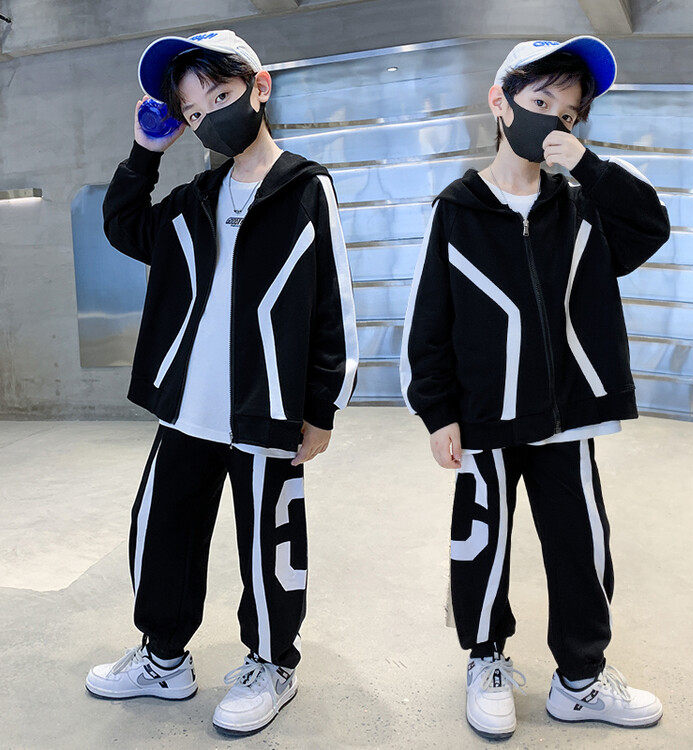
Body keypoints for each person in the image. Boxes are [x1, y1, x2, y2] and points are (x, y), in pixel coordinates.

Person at [84, 29, 359, 737]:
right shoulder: (194, 198)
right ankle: (163, 659)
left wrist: (323, 407)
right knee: (161, 532)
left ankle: (271, 664)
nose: (209, 116)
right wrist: (145, 153)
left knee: (270, 542)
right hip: (189, 408)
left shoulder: (306, 188)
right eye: (194, 111)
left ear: (259, 88)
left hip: (267, 407)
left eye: (221, 95)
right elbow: (123, 227)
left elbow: (333, 302)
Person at [400, 36, 670, 739]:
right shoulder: (456, 208)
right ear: (500, 103)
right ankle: (485, 660)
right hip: (485, 414)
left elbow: (651, 226)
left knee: (581, 546)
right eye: (541, 102)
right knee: (481, 543)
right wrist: (437, 412)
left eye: (569, 114)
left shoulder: (582, 205)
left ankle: (580, 679)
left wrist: (589, 166)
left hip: (568, 414)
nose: (555, 121)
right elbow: (429, 320)